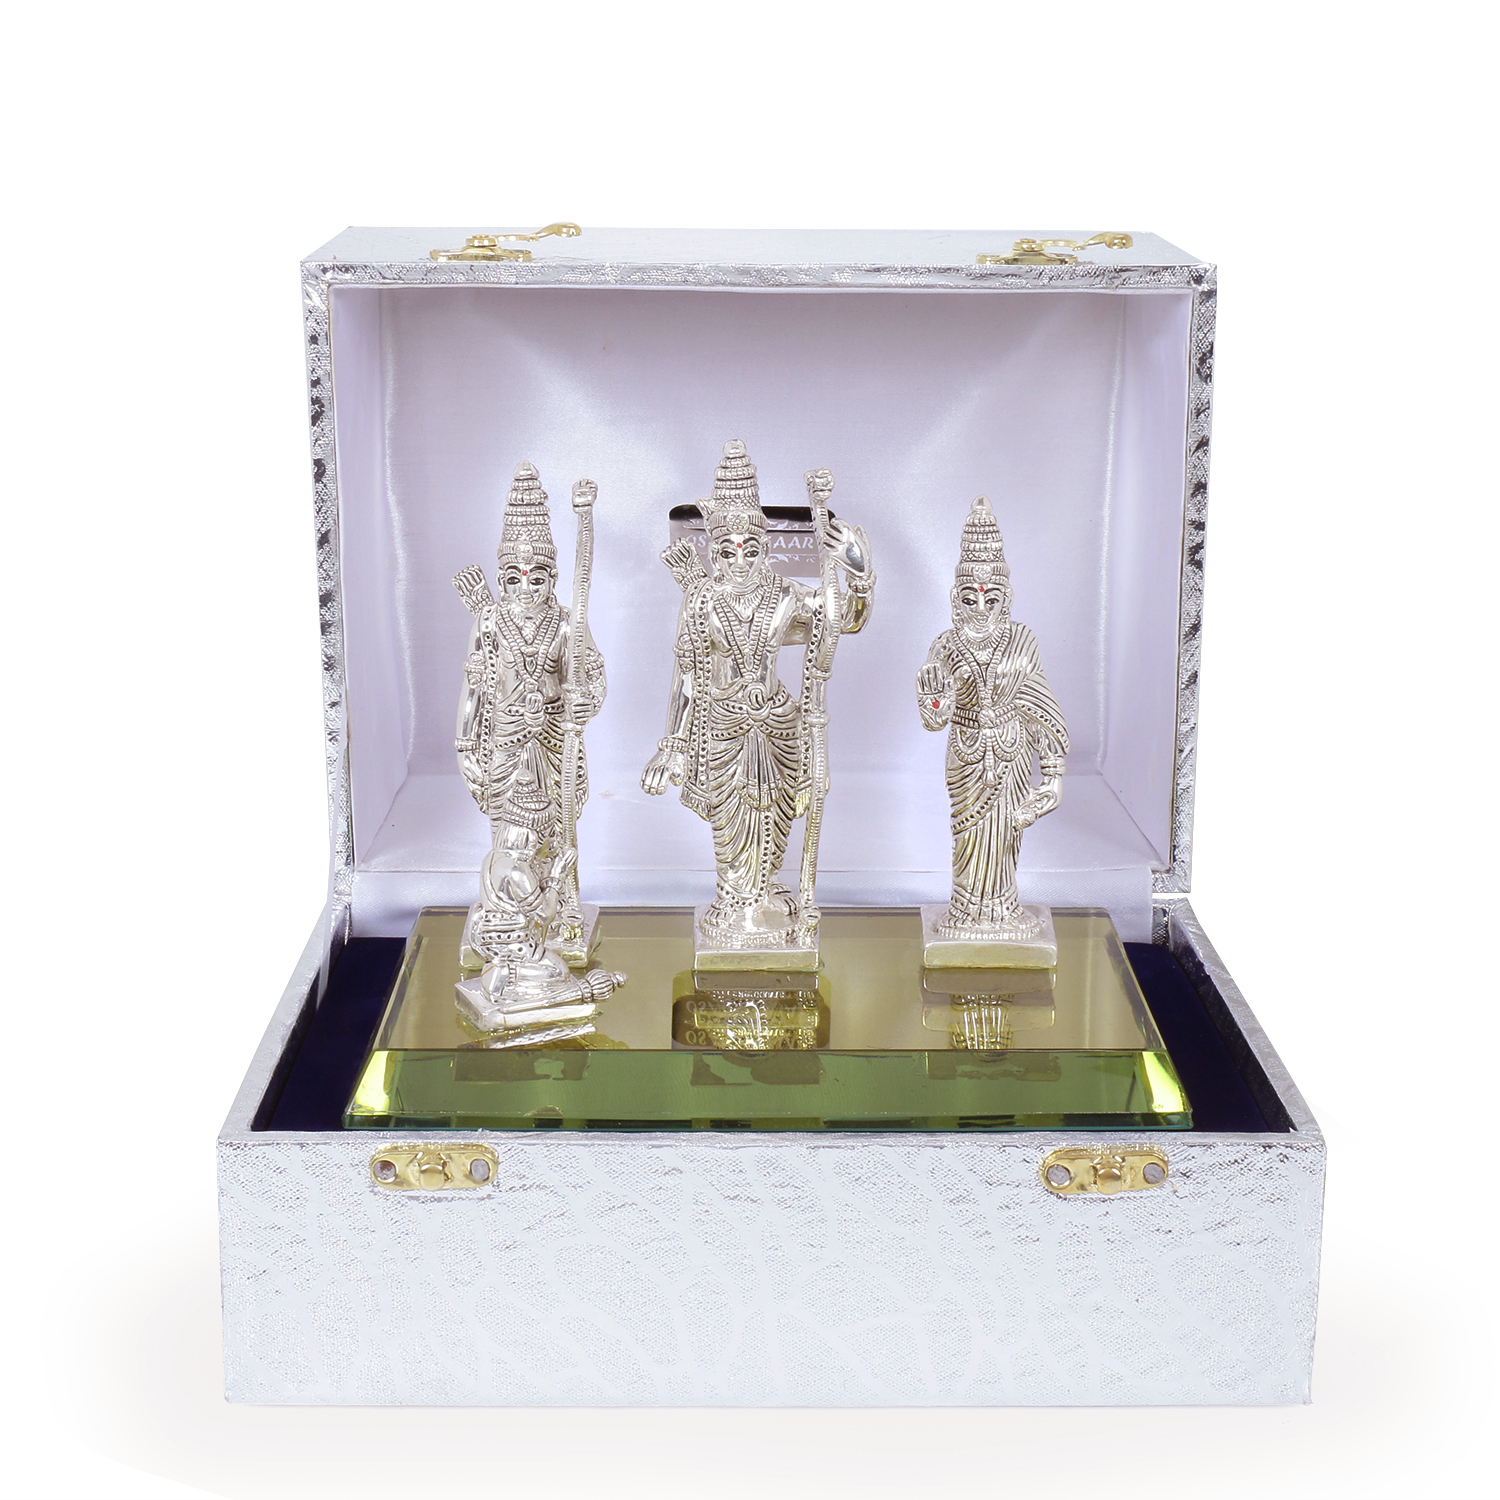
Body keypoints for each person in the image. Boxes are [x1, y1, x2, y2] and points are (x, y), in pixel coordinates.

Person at [642, 440, 875, 951]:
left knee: (775, 811)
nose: (741, 561)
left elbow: (841, 623)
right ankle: (736, 900)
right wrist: (673, 746)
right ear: (714, 552)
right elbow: (686, 675)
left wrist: (858, 573)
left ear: (765, 548)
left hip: (778, 725)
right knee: (731, 821)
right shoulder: (701, 601)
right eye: (728, 551)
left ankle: (766, 889)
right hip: (723, 728)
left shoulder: (785, 595)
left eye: (751, 549)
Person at [454, 463, 605, 965]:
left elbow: (594, 674)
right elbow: (474, 689)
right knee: (509, 834)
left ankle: (561, 912)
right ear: (502, 579)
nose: (525, 587)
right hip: (505, 747)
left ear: (552, 579)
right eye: (514, 579)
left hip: (555, 746)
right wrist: (465, 747)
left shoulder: (566, 623)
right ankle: (508, 914)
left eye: (536, 578)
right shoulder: (489, 621)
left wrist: (586, 701)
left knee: (558, 830)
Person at [917, 496, 1068, 939]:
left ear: (1006, 599)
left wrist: (1053, 775)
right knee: (967, 833)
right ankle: (965, 911)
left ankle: (1003, 909)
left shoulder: (1022, 640)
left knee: (1006, 836)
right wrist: (936, 697)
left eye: (990, 598)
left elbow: (1039, 705)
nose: (980, 609)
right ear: (955, 599)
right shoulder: (945, 645)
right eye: (970, 599)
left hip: (1011, 750)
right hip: (966, 752)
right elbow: (934, 719)